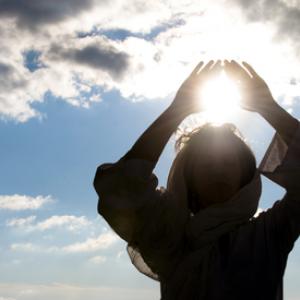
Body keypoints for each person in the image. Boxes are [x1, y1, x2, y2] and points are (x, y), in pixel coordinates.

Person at [93, 60, 300, 300]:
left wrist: (269, 108)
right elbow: (121, 187)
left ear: (244, 173)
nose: (218, 171)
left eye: (228, 162)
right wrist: (176, 111)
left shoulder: (268, 234)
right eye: (206, 163)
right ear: (188, 175)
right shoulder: (169, 236)